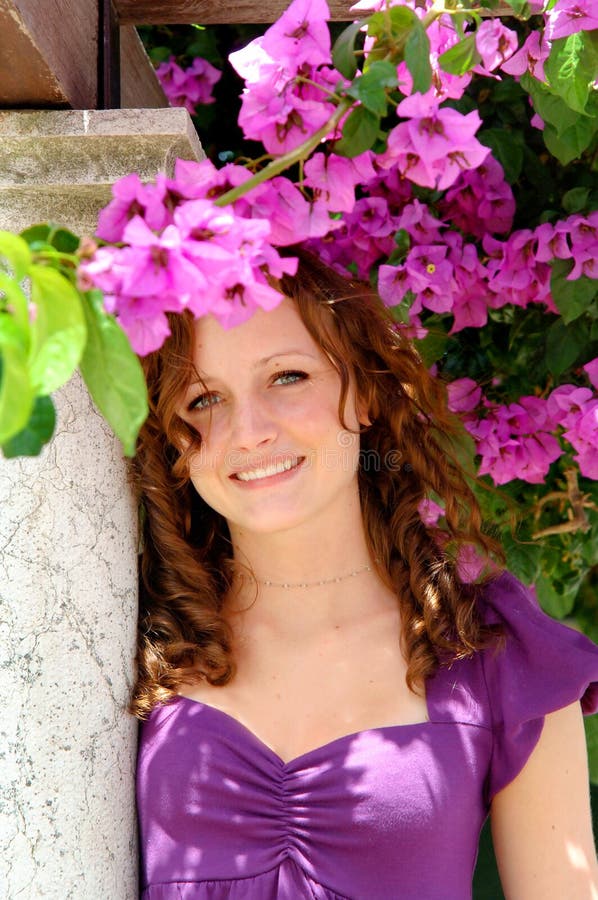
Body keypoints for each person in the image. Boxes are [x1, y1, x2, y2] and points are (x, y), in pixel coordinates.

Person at [130, 249, 598, 899]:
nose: (248, 431)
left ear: (366, 391)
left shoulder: (494, 649)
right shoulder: (139, 635)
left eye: (287, 378)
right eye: (204, 398)